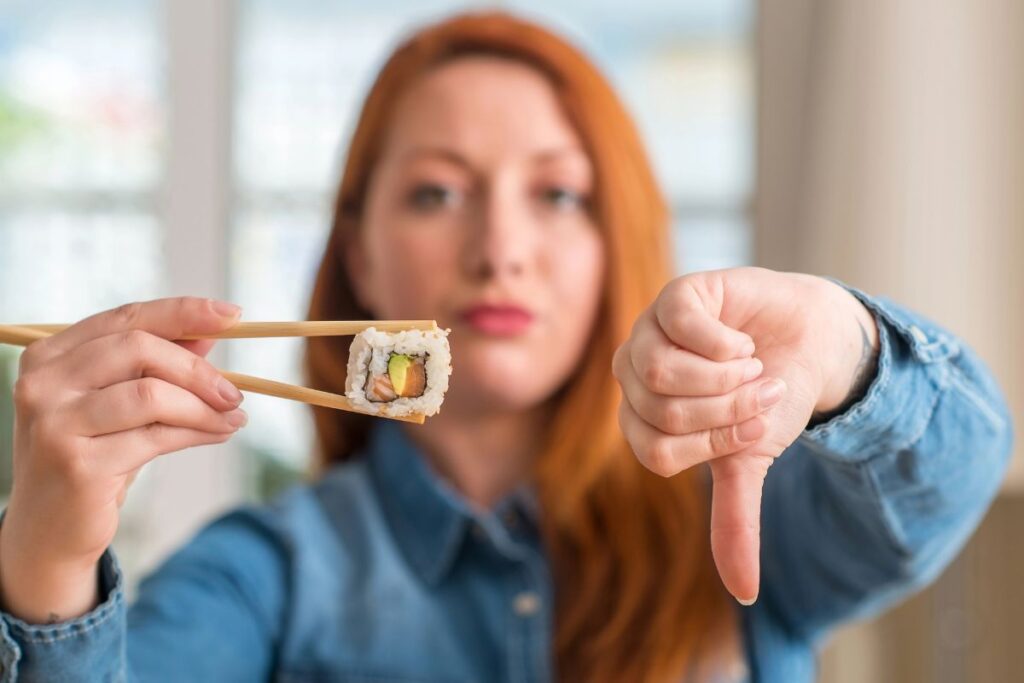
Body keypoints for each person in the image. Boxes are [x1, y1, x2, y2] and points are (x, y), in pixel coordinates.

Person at [0, 12, 1012, 683]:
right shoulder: (271, 570)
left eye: (558, 195)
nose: (499, 251)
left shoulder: (735, 517)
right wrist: (46, 560)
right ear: (358, 253)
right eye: (437, 192)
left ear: (615, 238)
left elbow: (959, 466)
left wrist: (845, 349)